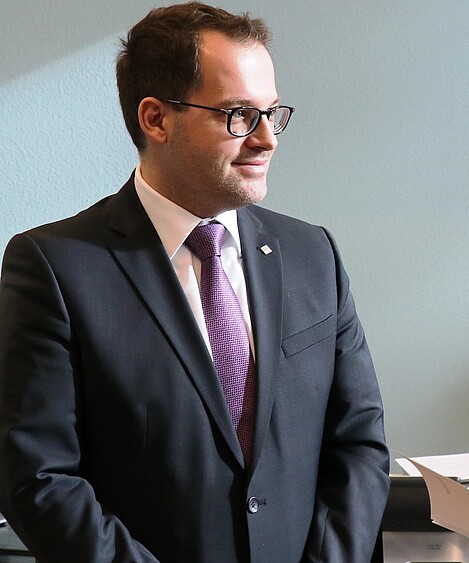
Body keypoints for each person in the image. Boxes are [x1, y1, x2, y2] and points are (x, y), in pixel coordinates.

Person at [0, 3, 390, 562]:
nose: (266, 139)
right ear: (156, 119)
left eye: (271, 113)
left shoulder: (313, 256)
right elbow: (38, 479)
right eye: (237, 115)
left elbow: (358, 443)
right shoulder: (55, 266)